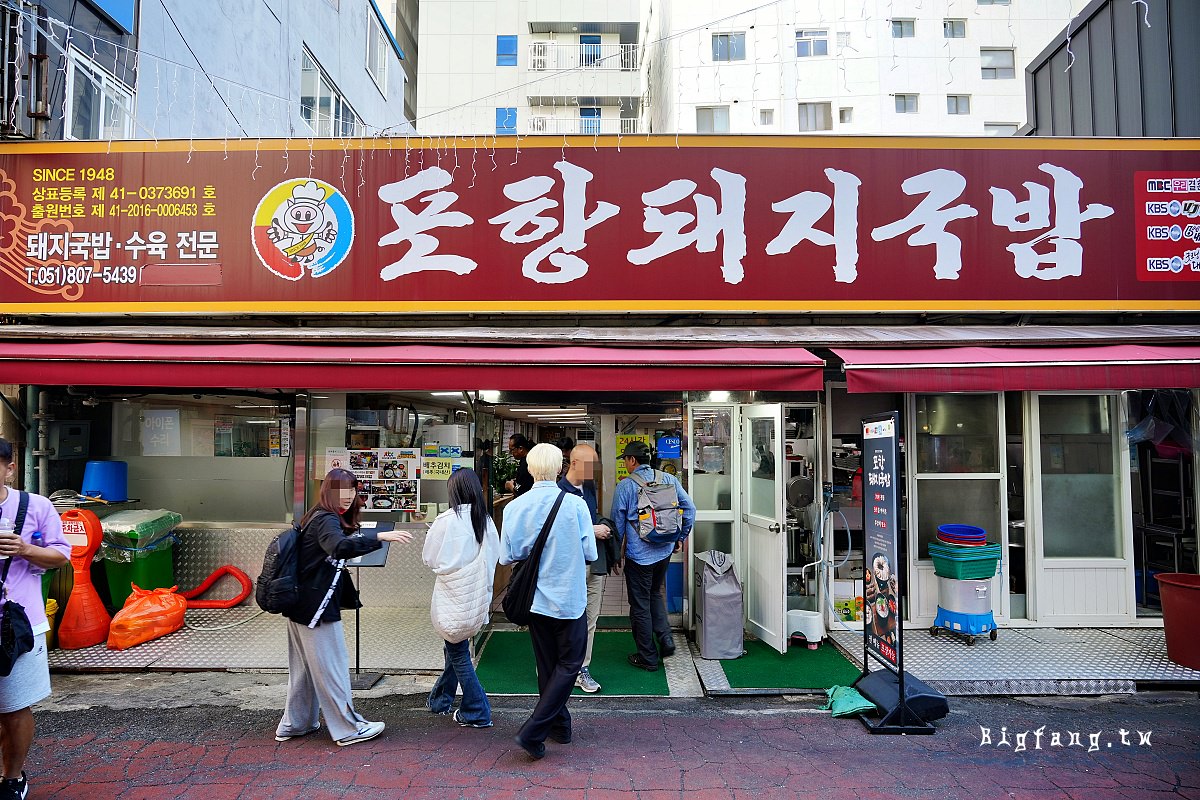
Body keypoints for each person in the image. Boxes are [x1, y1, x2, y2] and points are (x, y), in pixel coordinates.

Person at [276, 468, 413, 747]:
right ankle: (348, 729)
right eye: (342, 491)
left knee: (304, 672)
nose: (348, 497)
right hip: (316, 608)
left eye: (352, 491)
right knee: (332, 669)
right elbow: (337, 547)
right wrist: (378, 538)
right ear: (329, 491)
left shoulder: (315, 515)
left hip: (301, 605)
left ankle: (295, 723)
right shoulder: (326, 519)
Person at [499, 443, 596, 760]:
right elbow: (591, 554)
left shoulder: (514, 508)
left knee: (547, 666)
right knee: (570, 664)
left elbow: (507, 556)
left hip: (534, 600)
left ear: (528, 469)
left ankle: (560, 727)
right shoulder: (575, 505)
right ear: (560, 468)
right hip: (569, 598)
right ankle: (533, 730)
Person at [0, 437, 70, 800]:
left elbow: (60, 556)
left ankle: (12, 777)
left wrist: (26, 549)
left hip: (20, 623)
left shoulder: (35, 507)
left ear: (10, 467)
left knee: (14, 707)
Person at [423, 468, 501, 728]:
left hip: (453, 599)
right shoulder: (486, 521)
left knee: (457, 652)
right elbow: (495, 559)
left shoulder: (446, 520)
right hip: (476, 600)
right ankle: (440, 700)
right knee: (454, 646)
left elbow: (429, 558)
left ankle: (477, 710)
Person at [610, 441, 696, 672]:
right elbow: (690, 509)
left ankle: (648, 657)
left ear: (632, 460)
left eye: (626, 460)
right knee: (655, 594)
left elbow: (617, 524)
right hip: (664, 552)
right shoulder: (669, 479)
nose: (626, 464)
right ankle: (666, 639)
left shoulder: (626, 486)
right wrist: (680, 537)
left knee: (639, 605)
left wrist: (615, 555)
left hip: (639, 557)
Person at [557, 444, 618, 693]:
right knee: (566, 618)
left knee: (590, 619)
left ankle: (582, 668)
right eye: (590, 465)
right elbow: (556, 531)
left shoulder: (589, 487)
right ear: (573, 463)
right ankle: (560, 667)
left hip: (594, 563)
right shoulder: (559, 491)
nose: (594, 470)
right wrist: (592, 530)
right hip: (570, 567)